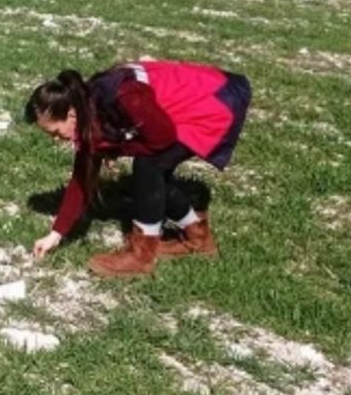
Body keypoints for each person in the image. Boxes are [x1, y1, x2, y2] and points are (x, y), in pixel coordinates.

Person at [25, 61, 250, 278]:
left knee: (149, 163)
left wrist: (114, 148)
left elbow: (163, 137)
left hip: (216, 99)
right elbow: (82, 177)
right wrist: (55, 235)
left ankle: (142, 255)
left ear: (71, 114)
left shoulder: (121, 96)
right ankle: (198, 237)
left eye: (55, 132)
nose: (56, 139)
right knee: (154, 167)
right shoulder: (88, 111)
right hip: (201, 100)